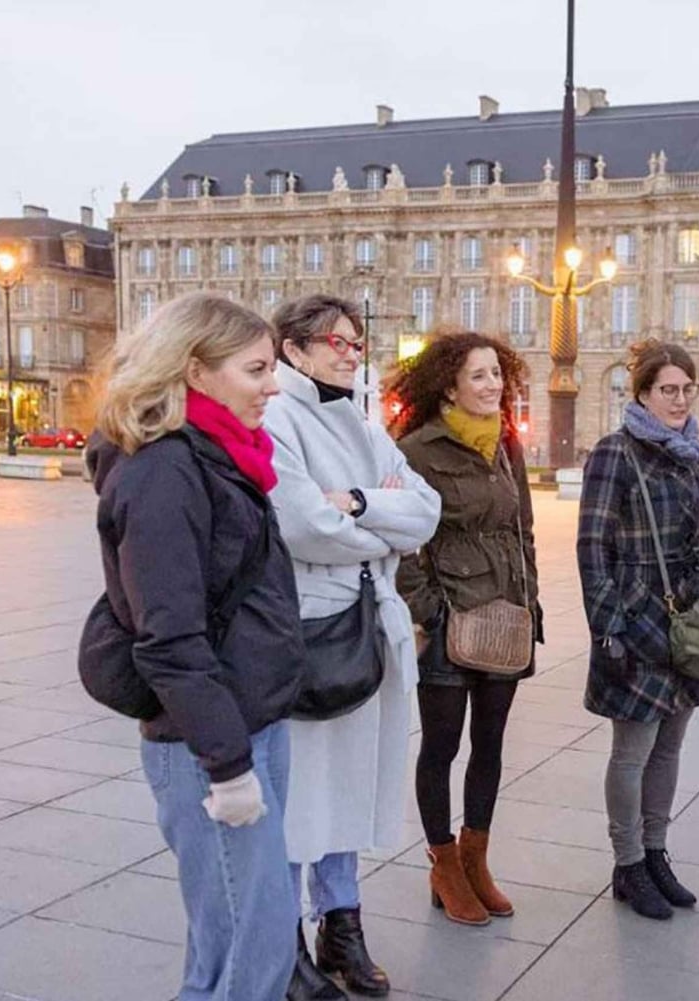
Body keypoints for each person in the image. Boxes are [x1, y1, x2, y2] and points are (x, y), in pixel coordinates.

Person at [87, 292, 305, 1001]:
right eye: (256, 369)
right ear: (195, 370)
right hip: (208, 742)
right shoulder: (163, 473)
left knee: (227, 935)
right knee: (258, 934)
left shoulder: (221, 455)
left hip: (251, 722)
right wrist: (229, 765)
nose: (273, 385)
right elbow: (170, 638)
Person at [265, 296, 441, 999]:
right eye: (333, 340)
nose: (349, 351)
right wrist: (382, 526)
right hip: (314, 630)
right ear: (293, 348)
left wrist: (363, 504)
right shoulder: (279, 416)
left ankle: (343, 921)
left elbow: (424, 509)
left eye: (356, 340)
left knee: (352, 785)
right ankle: (284, 939)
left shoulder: (364, 422)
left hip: (370, 622)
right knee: (302, 792)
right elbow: (301, 521)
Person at [576, 339, 699, 921]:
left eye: (688, 389)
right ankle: (628, 863)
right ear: (642, 392)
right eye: (668, 389)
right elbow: (593, 547)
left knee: (670, 746)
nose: (679, 399)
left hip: (688, 621)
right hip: (636, 617)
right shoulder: (615, 453)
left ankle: (657, 852)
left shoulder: (695, 453)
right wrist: (608, 626)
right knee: (633, 749)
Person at [394, 333, 539, 927]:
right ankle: (444, 864)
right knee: (442, 746)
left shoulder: (505, 444)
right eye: (478, 377)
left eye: (496, 376)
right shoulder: (417, 450)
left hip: (504, 618)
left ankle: (477, 858)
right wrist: (430, 610)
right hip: (451, 620)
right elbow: (402, 541)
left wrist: (528, 602)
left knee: (491, 746)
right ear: (449, 386)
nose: (491, 387)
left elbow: (521, 528)